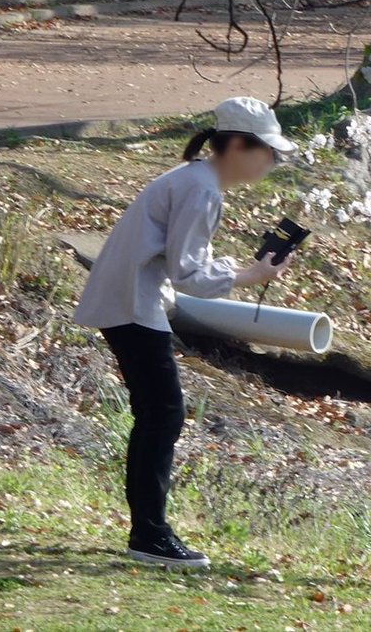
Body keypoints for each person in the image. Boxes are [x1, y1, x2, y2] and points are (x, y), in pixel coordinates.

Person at [74, 96, 296, 570]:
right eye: (269, 152)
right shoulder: (202, 189)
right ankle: (149, 535)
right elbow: (188, 273)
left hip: (131, 300)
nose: (273, 162)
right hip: (133, 304)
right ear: (237, 144)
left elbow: (182, 265)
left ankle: (148, 531)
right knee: (163, 414)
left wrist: (240, 271)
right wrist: (250, 277)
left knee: (158, 415)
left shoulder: (193, 179)